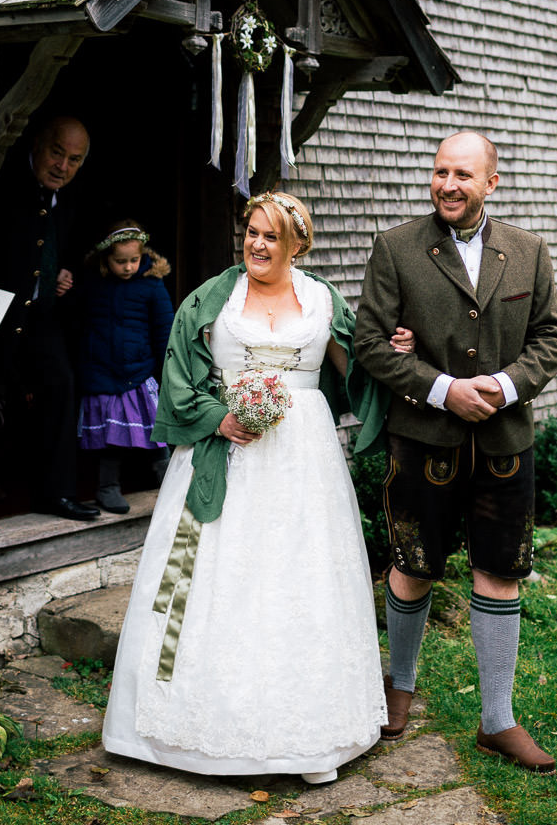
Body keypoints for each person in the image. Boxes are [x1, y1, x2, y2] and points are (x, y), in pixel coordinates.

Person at [103, 191, 405, 784]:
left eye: (270, 235)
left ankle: (305, 735)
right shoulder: (211, 299)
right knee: (215, 576)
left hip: (304, 465)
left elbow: (358, 369)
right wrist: (219, 418)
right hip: (227, 452)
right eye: (251, 232)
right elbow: (180, 374)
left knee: (299, 579)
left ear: (298, 243)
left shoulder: (322, 299)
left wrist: (392, 353)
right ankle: (185, 725)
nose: (256, 244)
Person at [354, 131, 557, 775]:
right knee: (413, 562)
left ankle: (497, 720)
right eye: (441, 171)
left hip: (506, 443)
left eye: (464, 175)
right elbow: (369, 341)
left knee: (502, 571)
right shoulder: (396, 247)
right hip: (424, 438)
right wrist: (443, 389)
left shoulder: (528, 252)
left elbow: (552, 334)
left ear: (490, 183)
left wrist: (503, 387)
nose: (449, 184)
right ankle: (400, 686)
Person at [0, 115, 98, 521]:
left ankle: (57, 493)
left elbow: (66, 249)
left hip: (41, 314)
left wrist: (63, 273)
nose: (63, 166)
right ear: (37, 145)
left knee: (61, 386)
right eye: (57, 153)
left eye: (74, 160)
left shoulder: (74, 198)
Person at [74, 219, 175, 515]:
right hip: (102, 374)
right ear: (107, 259)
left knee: (156, 432)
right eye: (121, 261)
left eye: (134, 260)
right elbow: (79, 325)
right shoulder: (94, 285)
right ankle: (107, 488)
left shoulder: (152, 286)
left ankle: (171, 483)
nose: (128, 267)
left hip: (139, 373)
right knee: (111, 437)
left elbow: (164, 330)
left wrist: (165, 371)